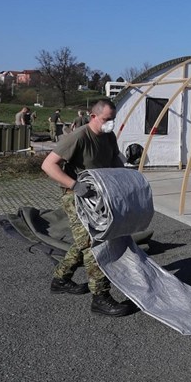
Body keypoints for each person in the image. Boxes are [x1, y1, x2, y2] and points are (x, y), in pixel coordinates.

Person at [41, 99, 134, 317]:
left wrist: (127, 171)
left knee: (82, 241)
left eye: (113, 119)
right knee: (94, 241)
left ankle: (61, 280)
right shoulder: (79, 137)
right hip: (75, 195)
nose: (110, 124)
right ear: (93, 117)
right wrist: (74, 185)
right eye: (106, 119)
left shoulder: (109, 136)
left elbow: (114, 161)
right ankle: (100, 298)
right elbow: (48, 165)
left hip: (97, 195)